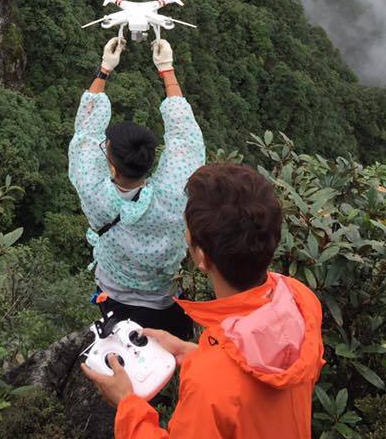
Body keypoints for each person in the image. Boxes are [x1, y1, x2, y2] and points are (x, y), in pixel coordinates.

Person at [83, 162, 325, 439]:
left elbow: (225, 385)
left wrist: (127, 403)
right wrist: (195, 354)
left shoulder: (208, 385)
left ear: (201, 257)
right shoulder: (300, 301)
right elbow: (257, 373)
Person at [68, 36, 206, 339]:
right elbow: (185, 139)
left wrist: (105, 69)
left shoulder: (93, 192)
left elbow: (85, 133)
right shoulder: (173, 197)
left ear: (113, 167)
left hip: (113, 295)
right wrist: (166, 69)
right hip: (165, 302)